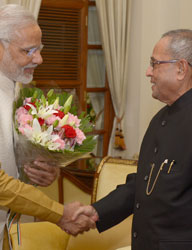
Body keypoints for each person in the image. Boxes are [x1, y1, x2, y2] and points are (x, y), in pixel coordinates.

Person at [74, 29, 192, 250]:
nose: (148, 72)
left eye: (155, 63)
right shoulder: (159, 119)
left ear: (180, 68)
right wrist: (97, 211)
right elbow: (144, 183)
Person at [0, 4, 89, 250]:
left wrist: (38, 168)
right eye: (28, 51)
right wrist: (59, 213)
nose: (39, 59)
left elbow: (9, 157)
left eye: (40, 49)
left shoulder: (17, 86)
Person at [0, 126, 96, 250]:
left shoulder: (15, 106)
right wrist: (59, 213)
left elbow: (8, 153)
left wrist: (43, 167)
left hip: (2, 228)